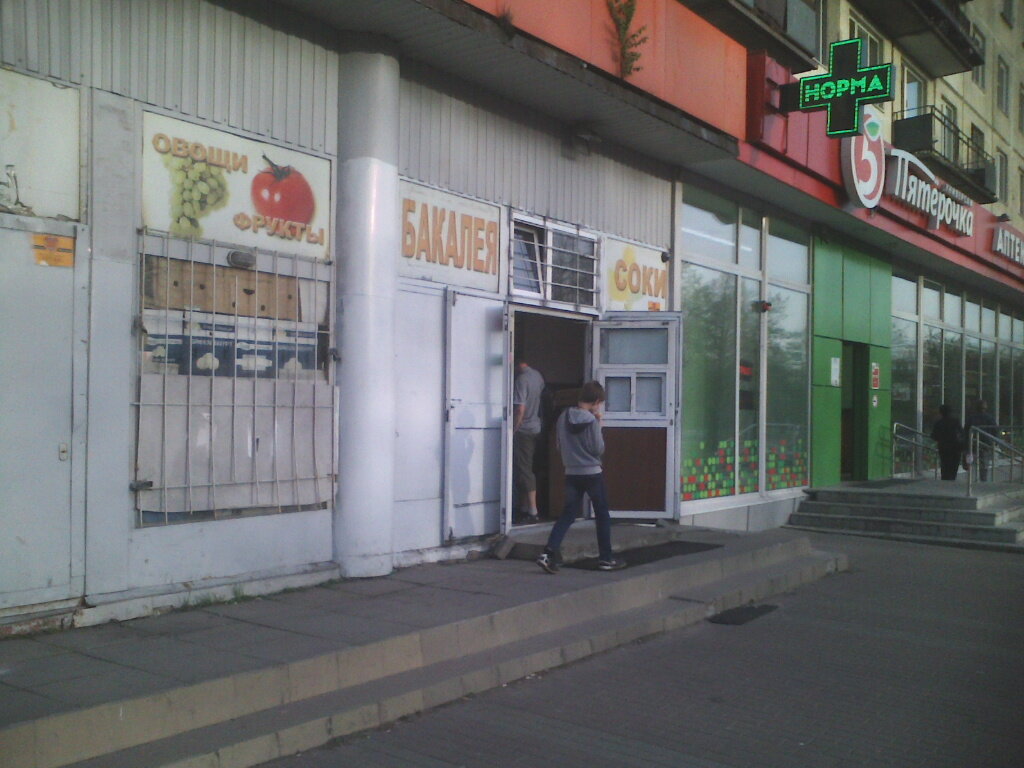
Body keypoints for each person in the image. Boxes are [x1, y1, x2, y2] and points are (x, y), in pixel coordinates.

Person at [536, 381, 626, 573]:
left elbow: (558, 445)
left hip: (571, 472)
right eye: (599, 403)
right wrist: (599, 424)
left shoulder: (563, 417)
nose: (599, 407)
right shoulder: (591, 420)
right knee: (602, 515)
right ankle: (606, 558)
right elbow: (598, 449)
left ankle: (548, 553)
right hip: (592, 473)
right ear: (595, 401)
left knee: (568, 514)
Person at [512, 360, 545, 521]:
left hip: (524, 429)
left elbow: (520, 408)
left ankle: (532, 511)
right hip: (536, 427)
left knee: (524, 469)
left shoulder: (521, 380)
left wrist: (514, 428)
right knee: (526, 466)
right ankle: (524, 507)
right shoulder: (538, 376)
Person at [964, 399, 998, 481]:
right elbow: (995, 430)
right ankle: (983, 480)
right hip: (985, 444)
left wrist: (965, 442)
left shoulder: (971, 418)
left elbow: (966, 430)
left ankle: (970, 480)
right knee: (984, 463)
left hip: (973, 443)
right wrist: (995, 442)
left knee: (971, 461)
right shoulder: (990, 418)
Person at [930, 404, 963, 481]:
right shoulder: (955, 421)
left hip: (943, 447)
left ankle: (945, 479)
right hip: (955, 447)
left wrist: (940, 439)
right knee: (954, 466)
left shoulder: (939, 423)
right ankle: (952, 479)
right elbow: (961, 433)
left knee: (945, 465)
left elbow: (934, 436)